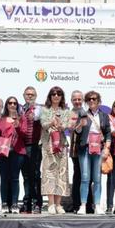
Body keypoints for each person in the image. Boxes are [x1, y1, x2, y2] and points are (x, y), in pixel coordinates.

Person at [75, 90, 111, 215]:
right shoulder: (82, 114)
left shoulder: (104, 116)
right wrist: (80, 126)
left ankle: (97, 205)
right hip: (85, 148)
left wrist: (107, 148)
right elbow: (77, 132)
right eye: (89, 99)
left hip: (99, 149)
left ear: (99, 101)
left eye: (94, 99)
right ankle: (83, 205)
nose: (91, 101)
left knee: (97, 178)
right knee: (85, 178)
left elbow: (107, 133)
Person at [40, 86, 72, 214]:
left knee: (61, 173)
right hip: (48, 145)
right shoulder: (44, 110)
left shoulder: (66, 111)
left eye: (59, 94)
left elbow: (67, 125)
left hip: (62, 145)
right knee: (49, 172)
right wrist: (51, 122)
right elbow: (43, 124)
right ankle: (51, 204)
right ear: (50, 96)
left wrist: (61, 125)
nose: (56, 96)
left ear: (62, 97)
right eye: (53, 94)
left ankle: (59, 204)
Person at [0, 96, 26, 213]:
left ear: (17, 105)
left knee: (15, 178)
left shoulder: (22, 118)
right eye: (10, 103)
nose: (12, 105)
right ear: (6, 105)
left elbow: (25, 134)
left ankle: (15, 204)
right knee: (4, 178)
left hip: (17, 152)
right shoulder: (2, 119)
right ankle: (5, 204)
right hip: (3, 153)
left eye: (14, 103)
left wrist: (18, 126)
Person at [20, 86, 43, 213]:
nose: (30, 96)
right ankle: (27, 203)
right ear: (24, 95)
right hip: (21, 146)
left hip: (35, 146)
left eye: (32, 94)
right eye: (28, 94)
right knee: (26, 176)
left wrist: (33, 114)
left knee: (35, 175)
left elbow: (37, 116)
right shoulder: (20, 109)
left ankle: (37, 203)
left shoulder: (39, 108)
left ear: (36, 95)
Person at [69, 90, 92, 213]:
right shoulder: (69, 113)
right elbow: (69, 128)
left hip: (90, 148)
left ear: (82, 100)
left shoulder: (88, 113)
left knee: (88, 177)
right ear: (71, 100)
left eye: (79, 99)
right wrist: (77, 124)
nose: (77, 102)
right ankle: (77, 204)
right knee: (78, 175)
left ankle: (89, 204)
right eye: (75, 99)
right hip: (75, 148)